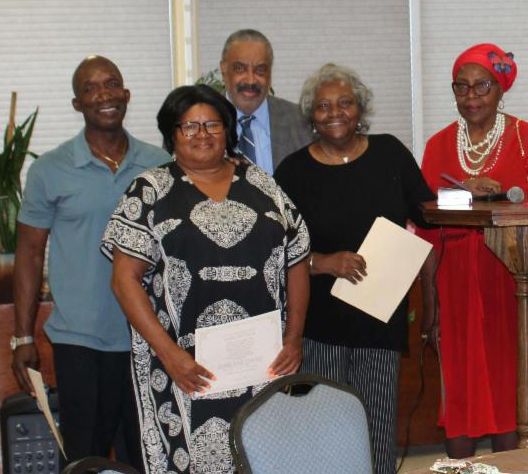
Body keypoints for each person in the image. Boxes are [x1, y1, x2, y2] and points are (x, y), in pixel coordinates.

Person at [101, 84, 310, 473]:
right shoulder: (149, 191)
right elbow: (124, 282)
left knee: (264, 457)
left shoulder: (262, 184)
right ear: (172, 134)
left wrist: (294, 337)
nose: (202, 134)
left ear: (228, 130)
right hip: (185, 368)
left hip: (263, 365)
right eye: (189, 126)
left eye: (212, 124)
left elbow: (297, 257)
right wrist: (170, 355)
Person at [274, 63, 435, 474]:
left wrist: (469, 193)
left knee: (377, 428)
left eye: (345, 102)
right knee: (323, 428)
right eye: (324, 105)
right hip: (318, 325)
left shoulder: (390, 154)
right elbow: (275, 252)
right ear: (311, 115)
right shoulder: (292, 172)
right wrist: (323, 262)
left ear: (360, 109)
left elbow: (428, 213)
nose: (335, 112)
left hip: (378, 319)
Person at [12, 55, 169, 467]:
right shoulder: (50, 170)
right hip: (80, 342)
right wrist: (23, 337)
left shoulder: (160, 165)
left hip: (147, 340)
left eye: (111, 83)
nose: (103, 94)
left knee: (147, 457)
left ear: (126, 94)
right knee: (87, 459)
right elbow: (29, 253)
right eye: (90, 88)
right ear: (77, 104)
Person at [416, 43, 528, 458]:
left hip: (513, 281)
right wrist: (431, 303)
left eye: (482, 86)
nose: (472, 96)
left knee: (511, 395)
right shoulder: (438, 145)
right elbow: (426, 231)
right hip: (454, 284)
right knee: (460, 393)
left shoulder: (527, 138)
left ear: (500, 89)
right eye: (462, 87)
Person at [220, 28, 312, 172]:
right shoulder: (203, 123)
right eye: (240, 69)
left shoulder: (301, 121)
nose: (250, 80)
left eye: (260, 70)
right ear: (224, 69)